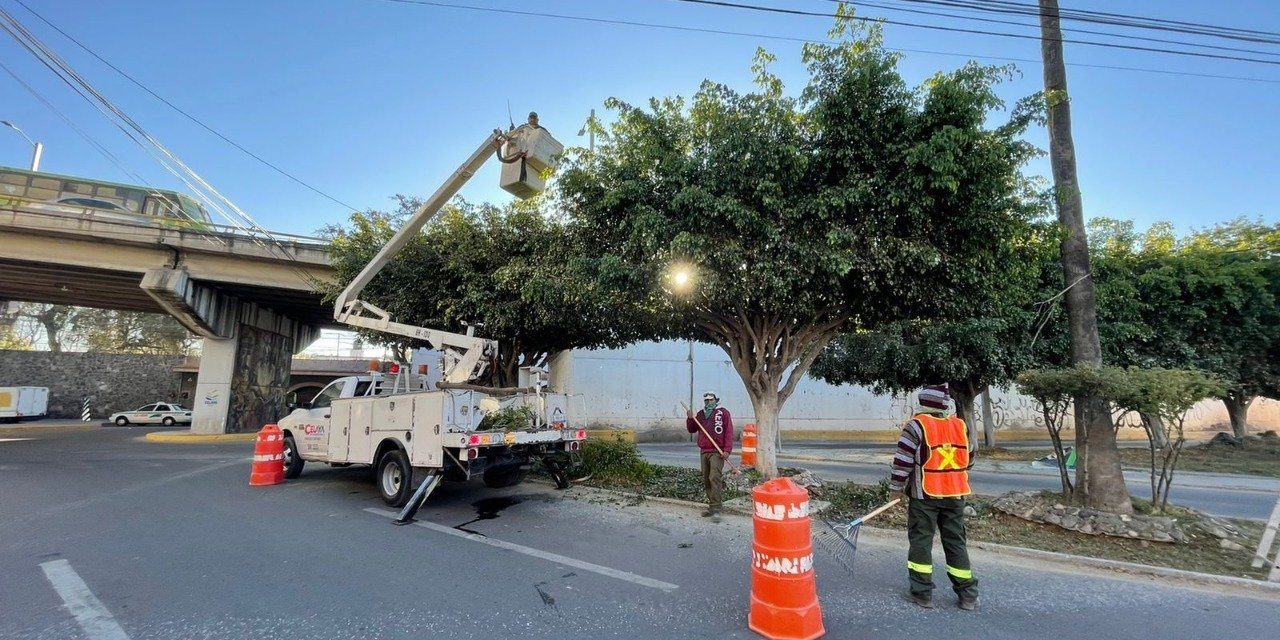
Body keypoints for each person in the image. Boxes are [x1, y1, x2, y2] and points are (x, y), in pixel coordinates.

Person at [888, 384, 979, 611]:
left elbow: (902, 462)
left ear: (923, 404)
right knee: (956, 542)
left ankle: (922, 593)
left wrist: (896, 489)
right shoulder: (960, 425)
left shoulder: (916, 426)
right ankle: (967, 595)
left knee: (921, 542)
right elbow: (970, 458)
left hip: (925, 495)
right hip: (956, 495)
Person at [686, 392, 733, 518]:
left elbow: (728, 432)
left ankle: (716, 507)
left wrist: (727, 449)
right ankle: (712, 505)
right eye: (706, 400)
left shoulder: (722, 413)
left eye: (711, 400)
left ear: (716, 400)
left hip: (717, 452)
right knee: (707, 478)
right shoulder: (701, 414)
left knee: (714, 477)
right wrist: (690, 418)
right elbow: (692, 429)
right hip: (704, 451)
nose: (708, 403)